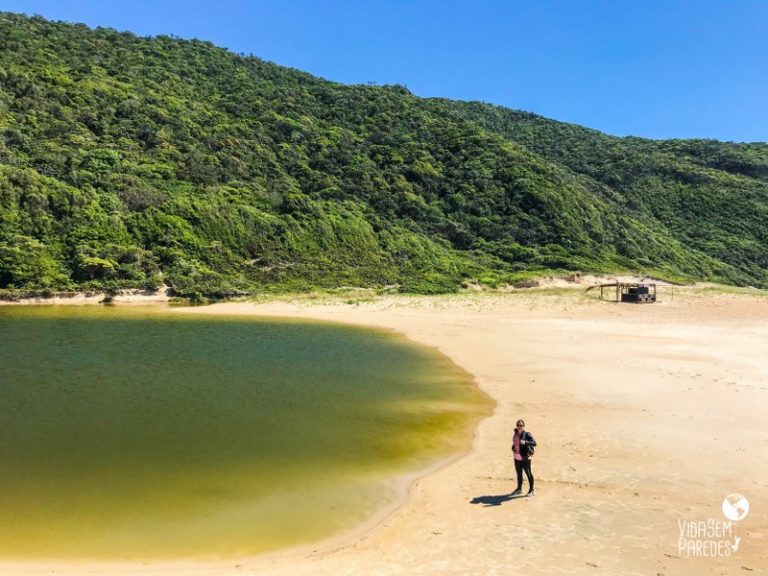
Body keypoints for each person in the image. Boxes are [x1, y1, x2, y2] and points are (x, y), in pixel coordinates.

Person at [510, 418, 536, 497]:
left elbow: (534, 443)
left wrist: (525, 442)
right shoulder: (516, 433)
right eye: (518, 425)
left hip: (525, 457)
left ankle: (531, 490)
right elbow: (515, 444)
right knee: (519, 473)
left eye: (520, 425)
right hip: (517, 457)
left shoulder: (527, 434)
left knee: (528, 473)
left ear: (523, 426)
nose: (519, 427)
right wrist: (513, 448)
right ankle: (519, 489)